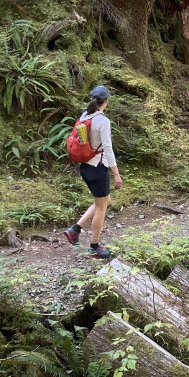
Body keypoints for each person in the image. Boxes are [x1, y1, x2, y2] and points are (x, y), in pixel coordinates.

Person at [64, 85, 123, 259]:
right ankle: (94, 247)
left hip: (85, 167)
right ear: (106, 101)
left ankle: (75, 230)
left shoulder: (84, 116)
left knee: (104, 201)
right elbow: (108, 148)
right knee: (101, 207)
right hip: (98, 168)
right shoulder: (102, 121)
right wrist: (116, 173)